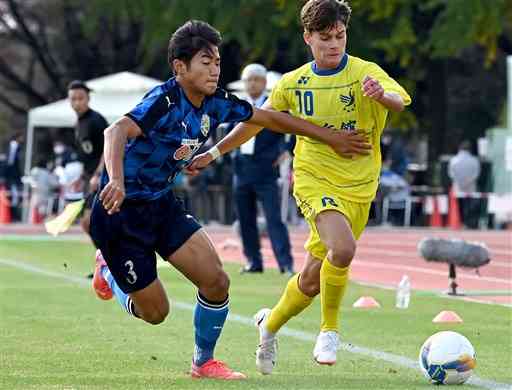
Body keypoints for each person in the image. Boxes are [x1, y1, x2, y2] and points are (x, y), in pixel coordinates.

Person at [89, 20, 371, 381]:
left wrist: (329, 137)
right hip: (119, 216)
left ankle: (203, 362)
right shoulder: (164, 101)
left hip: (161, 206)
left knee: (217, 281)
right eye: (205, 62)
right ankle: (108, 273)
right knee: (155, 313)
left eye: (218, 62)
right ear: (180, 67)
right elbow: (115, 131)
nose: (214, 69)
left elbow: (270, 118)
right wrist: (115, 180)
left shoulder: (216, 103)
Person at [187, 0, 411, 373]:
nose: (334, 44)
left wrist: (380, 95)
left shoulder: (366, 72)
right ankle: (330, 330)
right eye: (325, 38)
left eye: (339, 36)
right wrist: (214, 152)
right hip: (312, 177)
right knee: (343, 248)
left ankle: (269, 324)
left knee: (311, 279)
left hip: (359, 186)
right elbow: (257, 121)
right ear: (308, 37)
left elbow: (399, 102)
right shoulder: (293, 83)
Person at [232, 63, 294, 274]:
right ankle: (253, 262)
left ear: (265, 82)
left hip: (266, 169)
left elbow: (293, 128)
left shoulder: (274, 105)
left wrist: (287, 149)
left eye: (256, 79)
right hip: (241, 170)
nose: (252, 83)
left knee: (274, 219)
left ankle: (285, 264)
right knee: (245, 219)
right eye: (248, 79)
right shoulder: (237, 105)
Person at [68, 80, 108, 277]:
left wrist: (99, 173)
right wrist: (82, 176)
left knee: (90, 221)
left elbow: (108, 148)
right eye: (73, 99)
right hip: (90, 177)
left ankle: (108, 262)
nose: (76, 102)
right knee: (88, 223)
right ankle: (106, 262)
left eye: (80, 98)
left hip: (105, 176)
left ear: (88, 98)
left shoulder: (95, 120)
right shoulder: (79, 123)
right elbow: (88, 155)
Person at [448, 140, 481, 228]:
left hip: (458, 186)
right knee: (470, 204)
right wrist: (468, 181)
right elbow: (476, 174)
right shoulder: (474, 160)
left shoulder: (454, 160)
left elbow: (451, 174)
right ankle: (469, 222)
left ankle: (461, 222)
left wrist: (460, 181)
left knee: (460, 205)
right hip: (470, 186)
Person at [4, 132, 24, 221]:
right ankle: (13, 215)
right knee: (11, 194)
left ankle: (15, 215)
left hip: (15, 175)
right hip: (10, 174)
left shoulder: (19, 148)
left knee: (16, 194)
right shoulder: (10, 146)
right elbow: (9, 161)